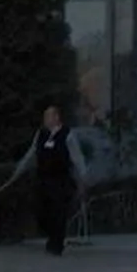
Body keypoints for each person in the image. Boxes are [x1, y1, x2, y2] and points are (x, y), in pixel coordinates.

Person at [13, 103, 80, 256]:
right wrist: (18, 171)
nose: (46, 119)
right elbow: (32, 154)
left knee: (58, 212)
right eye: (45, 116)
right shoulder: (41, 134)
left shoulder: (67, 134)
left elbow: (77, 157)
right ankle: (51, 237)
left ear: (57, 117)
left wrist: (82, 177)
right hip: (43, 179)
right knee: (43, 211)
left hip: (60, 180)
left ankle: (56, 245)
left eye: (49, 116)